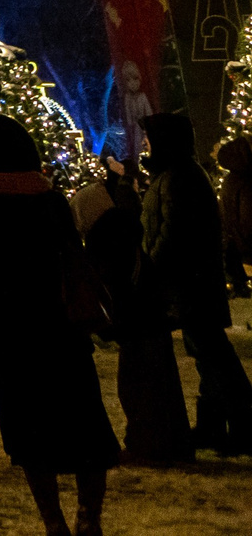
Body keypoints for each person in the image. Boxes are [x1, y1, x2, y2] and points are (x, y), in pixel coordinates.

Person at [0, 113, 118, 536]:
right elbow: (73, 257)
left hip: (9, 333)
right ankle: (89, 518)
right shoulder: (48, 201)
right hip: (60, 328)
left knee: (29, 435)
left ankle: (53, 521)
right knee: (85, 427)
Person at [140, 111, 252, 454]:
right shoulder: (174, 174)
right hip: (191, 282)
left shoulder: (179, 177)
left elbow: (172, 233)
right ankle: (213, 427)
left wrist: (149, 266)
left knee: (214, 356)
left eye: (149, 138)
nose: (144, 143)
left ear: (164, 142)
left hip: (191, 283)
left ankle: (244, 428)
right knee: (208, 355)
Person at [75, 157, 191, 462]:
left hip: (138, 322)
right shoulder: (125, 235)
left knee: (140, 385)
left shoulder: (108, 241)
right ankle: (167, 442)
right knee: (154, 382)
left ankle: (149, 444)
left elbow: (116, 287)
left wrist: (108, 323)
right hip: (146, 319)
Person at [217, 135, 252, 297]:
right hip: (247, 252)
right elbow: (247, 220)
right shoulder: (245, 183)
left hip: (239, 251)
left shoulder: (231, 180)